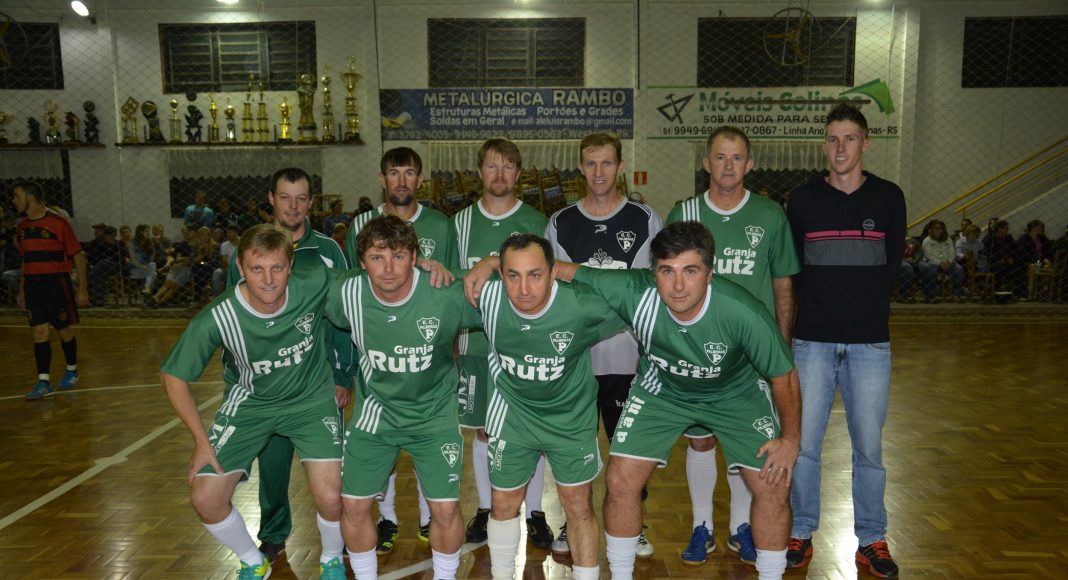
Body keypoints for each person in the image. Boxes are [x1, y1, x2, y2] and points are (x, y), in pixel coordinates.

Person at [466, 221, 800, 580]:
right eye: (666, 271)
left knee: (772, 482)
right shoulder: (634, 291)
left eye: (690, 271)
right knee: (621, 479)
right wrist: (493, 262)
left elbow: (785, 377)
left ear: (710, 272)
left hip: (734, 394)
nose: (678, 285)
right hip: (662, 391)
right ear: (652, 272)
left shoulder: (742, 310)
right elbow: (563, 269)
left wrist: (791, 441)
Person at [161, 224, 346, 580]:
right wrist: (200, 441)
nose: (269, 280)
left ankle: (332, 559)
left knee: (332, 494)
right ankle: (252, 560)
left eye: (277, 267)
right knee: (205, 497)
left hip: (310, 402)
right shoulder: (220, 315)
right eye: (257, 269)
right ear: (240, 268)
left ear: (291, 266)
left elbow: (372, 280)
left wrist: (427, 268)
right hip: (250, 405)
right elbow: (173, 376)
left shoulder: (314, 282)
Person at [666, 126, 800, 565]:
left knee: (750, 444)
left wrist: (780, 348)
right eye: (720, 157)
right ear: (706, 162)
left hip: (751, 356)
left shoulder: (770, 215)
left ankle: (742, 526)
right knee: (700, 441)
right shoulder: (685, 212)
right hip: (697, 350)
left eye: (737, 157)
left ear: (750, 164)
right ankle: (701, 526)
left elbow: (782, 286)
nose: (728, 165)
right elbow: (666, 280)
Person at [325, 215, 481, 580]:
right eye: (377, 258)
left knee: (445, 510)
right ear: (361, 262)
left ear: (414, 256)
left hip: (434, 415)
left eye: (398, 256)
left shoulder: (444, 290)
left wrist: (487, 263)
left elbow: (507, 287)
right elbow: (289, 285)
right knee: (353, 505)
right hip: (376, 414)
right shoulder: (345, 294)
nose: (388, 268)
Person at [785, 103, 904, 578]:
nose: (840, 147)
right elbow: (794, 271)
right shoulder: (802, 200)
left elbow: (891, 266)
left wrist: (860, 312)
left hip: (869, 344)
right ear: (824, 145)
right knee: (804, 445)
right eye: (833, 139)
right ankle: (801, 530)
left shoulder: (889, 197)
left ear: (865, 144)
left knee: (869, 449)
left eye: (849, 138)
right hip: (812, 341)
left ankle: (871, 539)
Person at [476, 234, 626, 580]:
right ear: (501, 275)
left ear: (553, 272)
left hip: (570, 419)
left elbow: (638, 289)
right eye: (513, 275)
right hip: (513, 416)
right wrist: (477, 264)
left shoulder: (582, 303)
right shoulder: (487, 295)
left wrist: (579, 272)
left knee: (578, 506)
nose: (524, 289)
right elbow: (425, 285)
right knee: (503, 504)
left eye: (535, 275)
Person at [225, 167, 353, 566]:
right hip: (268, 383)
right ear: (271, 199)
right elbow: (233, 317)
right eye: (285, 197)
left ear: (311, 202)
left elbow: (345, 315)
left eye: (300, 199)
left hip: (318, 384)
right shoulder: (250, 250)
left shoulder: (328, 251)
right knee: (273, 467)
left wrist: (343, 374)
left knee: (329, 472)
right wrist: (238, 377)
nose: (293, 206)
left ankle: (336, 541)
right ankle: (273, 535)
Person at [543, 132, 662, 558]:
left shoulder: (645, 219)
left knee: (626, 448)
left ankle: (634, 524)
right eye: (591, 164)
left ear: (620, 166)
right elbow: (550, 290)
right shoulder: (560, 222)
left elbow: (654, 286)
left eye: (606, 163)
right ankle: (571, 521)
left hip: (627, 357)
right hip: (577, 359)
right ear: (581, 167)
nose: (598, 172)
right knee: (574, 446)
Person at [343, 146, 460, 554]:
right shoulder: (360, 224)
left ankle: (430, 518)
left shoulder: (440, 224)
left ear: (420, 180)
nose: (402, 181)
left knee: (432, 448)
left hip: (427, 350)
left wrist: (450, 345)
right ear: (382, 180)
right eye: (394, 173)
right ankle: (388, 516)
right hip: (381, 351)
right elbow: (354, 283)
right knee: (380, 443)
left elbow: (449, 284)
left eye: (409, 173)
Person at [451, 138, 551, 548]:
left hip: (525, 347)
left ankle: (536, 512)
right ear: (479, 171)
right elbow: (452, 285)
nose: (499, 174)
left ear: (518, 174)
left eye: (508, 167)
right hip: (476, 345)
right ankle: (486, 507)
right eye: (492, 166)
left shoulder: (536, 221)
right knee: (484, 431)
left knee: (531, 429)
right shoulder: (459, 223)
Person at [13, 181, 89, 399]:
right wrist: (22, 289)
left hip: (56, 284)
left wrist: (82, 289)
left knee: (63, 330)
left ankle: (72, 369)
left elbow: (77, 256)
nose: (13, 201)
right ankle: (44, 382)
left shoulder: (58, 223)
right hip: (33, 286)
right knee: (39, 332)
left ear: (30, 198)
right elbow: (25, 261)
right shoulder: (22, 227)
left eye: (17, 196)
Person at [921, 219, 965, 302]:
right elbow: (929, 255)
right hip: (933, 262)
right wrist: (940, 263)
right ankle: (931, 296)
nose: (938, 230)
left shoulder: (948, 239)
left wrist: (949, 262)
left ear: (943, 230)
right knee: (931, 268)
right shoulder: (927, 240)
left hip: (948, 263)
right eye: (936, 228)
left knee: (959, 269)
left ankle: (957, 294)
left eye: (940, 228)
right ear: (931, 229)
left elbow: (952, 252)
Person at [86, 225, 122, 306]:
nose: (109, 238)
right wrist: (108, 258)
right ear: (105, 236)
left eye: (111, 236)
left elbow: (122, 259)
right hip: (102, 268)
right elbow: (94, 258)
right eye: (107, 236)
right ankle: (100, 300)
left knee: (103, 262)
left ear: (114, 236)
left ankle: (87, 281)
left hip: (115, 267)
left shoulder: (118, 244)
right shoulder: (102, 245)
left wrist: (109, 259)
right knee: (99, 275)